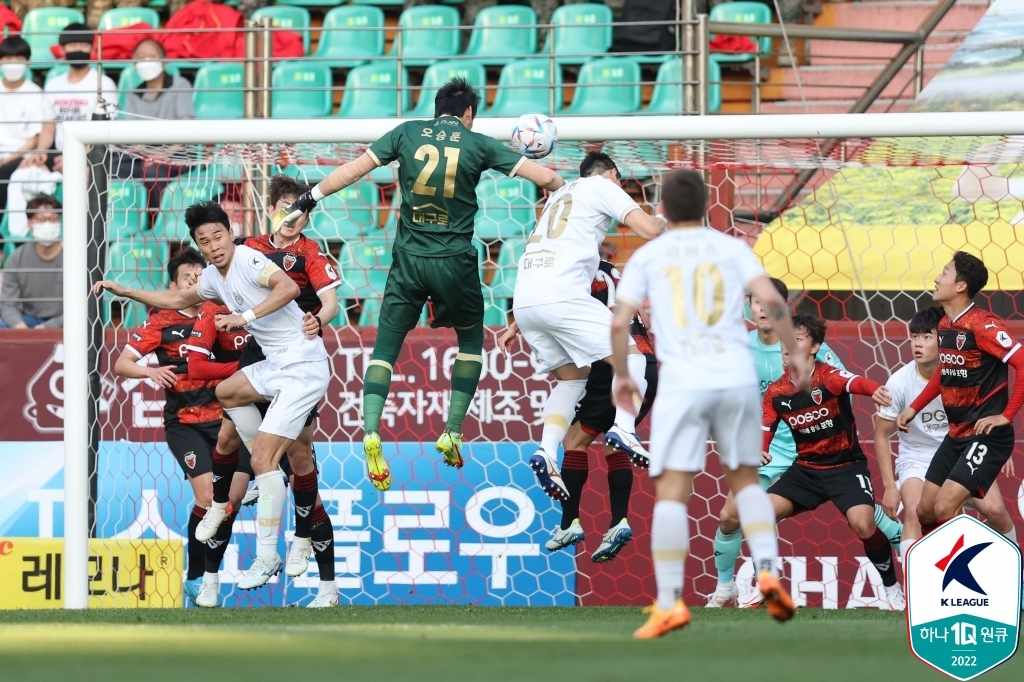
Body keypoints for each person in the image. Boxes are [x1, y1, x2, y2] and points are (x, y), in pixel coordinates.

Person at [280, 78, 563, 491]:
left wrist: (309, 197)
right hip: (456, 263)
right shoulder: (479, 142)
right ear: (468, 113)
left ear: (437, 109)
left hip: (409, 261)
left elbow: (354, 170)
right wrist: (567, 191)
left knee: (385, 350)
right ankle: (451, 429)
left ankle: (372, 430)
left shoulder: (407, 132)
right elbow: (546, 179)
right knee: (469, 344)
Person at [92, 201, 331, 591]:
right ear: (199, 246)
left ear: (230, 234)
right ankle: (251, 474)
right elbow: (176, 301)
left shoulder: (250, 260)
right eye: (205, 241)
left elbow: (288, 287)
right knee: (227, 392)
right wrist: (126, 291)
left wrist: (244, 318)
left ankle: (269, 554)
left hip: (302, 367)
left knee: (265, 458)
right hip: (274, 365)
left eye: (218, 236)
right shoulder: (212, 279)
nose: (214, 245)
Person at [610, 170, 805, 638]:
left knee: (674, 491)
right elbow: (773, 301)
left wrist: (621, 375)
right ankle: (769, 575)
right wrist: (793, 351)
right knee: (745, 482)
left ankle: (671, 601)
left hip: (684, 382)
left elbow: (620, 324)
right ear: (704, 208)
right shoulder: (731, 248)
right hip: (735, 377)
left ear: (663, 209)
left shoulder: (650, 254)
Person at [707, 278, 902, 608]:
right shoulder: (740, 348)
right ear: (748, 307)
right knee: (732, 515)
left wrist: (827, 427)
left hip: (823, 452)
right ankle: (730, 587)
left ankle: (900, 546)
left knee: (864, 521)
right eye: (756, 302)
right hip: (774, 456)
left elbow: (845, 384)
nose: (763, 309)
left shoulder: (811, 348)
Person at [196, 175, 340, 608]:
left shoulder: (313, 253)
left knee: (299, 458)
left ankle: (302, 541)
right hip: (259, 351)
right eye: (284, 208)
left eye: (301, 209)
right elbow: (208, 283)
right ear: (271, 209)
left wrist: (322, 319)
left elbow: (329, 301)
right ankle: (226, 507)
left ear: (309, 214)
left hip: (297, 351)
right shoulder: (249, 248)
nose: (292, 216)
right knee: (225, 430)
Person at [500, 151, 663, 502]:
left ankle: (545, 450)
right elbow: (648, 230)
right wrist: (666, 220)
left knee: (572, 379)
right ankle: (623, 428)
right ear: (614, 175)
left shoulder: (559, 196)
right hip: (560, 297)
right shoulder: (602, 186)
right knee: (631, 356)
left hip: (526, 302)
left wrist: (516, 322)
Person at [110, 248, 253, 607]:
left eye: (198, 275)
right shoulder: (161, 321)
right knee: (209, 499)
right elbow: (121, 363)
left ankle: (207, 577)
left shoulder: (225, 312)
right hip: (185, 424)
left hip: (229, 420)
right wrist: (149, 370)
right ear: (174, 285)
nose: (194, 281)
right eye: (187, 277)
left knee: (229, 503)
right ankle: (197, 578)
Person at [502, 258, 658, 563]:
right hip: (648, 366)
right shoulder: (613, 269)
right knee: (616, 443)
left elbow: (555, 303)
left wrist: (516, 324)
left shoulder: (572, 268)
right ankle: (618, 522)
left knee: (574, 441)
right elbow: (645, 320)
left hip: (614, 364)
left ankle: (569, 523)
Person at [761, 315, 905, 611]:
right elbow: (765, 432)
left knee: (864, 524)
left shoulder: (827, 376)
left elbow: (853, 382)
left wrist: (874, 389)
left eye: (798, 338)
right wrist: (759, 451)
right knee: (759, 515)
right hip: (806, 470)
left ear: (814, 347)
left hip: (845, 467)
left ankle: (892, 588)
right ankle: (762, 587)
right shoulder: (776, 392)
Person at [875, 305, 1017, 571]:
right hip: (917, 457)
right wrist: (890, 487)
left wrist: (998, 451)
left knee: (996, 510)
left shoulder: (964, 373)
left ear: (943, 339)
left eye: (926, 336)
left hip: (963, 450)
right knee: (917, 512)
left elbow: (986, 411)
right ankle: (916, 591)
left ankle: (1016, 572)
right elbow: (881, 436)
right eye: (914, 336)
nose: (917, 343)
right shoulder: (898, 382)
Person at [897, 252, 1024, 542]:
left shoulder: (984, 325)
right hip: (956, 436)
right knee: (924, 510)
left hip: (986, 437)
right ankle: (939, 570)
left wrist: (1006, 416)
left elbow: (1022, 362)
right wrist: (915, 407)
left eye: (944, 272)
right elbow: (946, 369)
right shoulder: (945, 325)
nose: (937, 278)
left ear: (960, 286)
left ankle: (1007, 573)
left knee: (946, 507)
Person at [23, 23, 117, 175]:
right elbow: (48, 128)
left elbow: (105, 131)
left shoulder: (104, 83)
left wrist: (75, 157)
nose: (78, 49)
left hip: (94, 153)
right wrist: (40, 151)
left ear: (92, 49)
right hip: (60, 152)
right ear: (62, 49)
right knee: (24, 170)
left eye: (83, 45)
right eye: (72, 45)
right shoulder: (53, 85)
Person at [0, 195, 64, 328]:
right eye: (41, 220)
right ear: (29, 224)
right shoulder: (17, 259)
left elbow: (84, 303)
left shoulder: (73, 257)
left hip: (68, 319)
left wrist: (49, 327)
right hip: (31, 320)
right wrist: (19, 325)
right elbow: (8, 303)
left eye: (53, 220)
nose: (48, 225)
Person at [0, 36, 45, 217]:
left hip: (21, 156)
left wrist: (7, 159)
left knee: (3, 175)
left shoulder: (35, 93)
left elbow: (34, 138)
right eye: (8, 59)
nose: (13, 64)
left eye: (18, 60)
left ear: (27, 63)